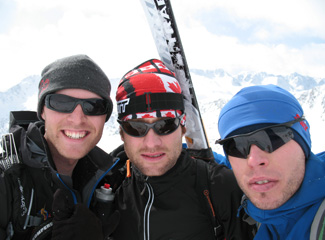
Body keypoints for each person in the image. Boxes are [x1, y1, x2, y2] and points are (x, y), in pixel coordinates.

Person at [110, 59, 255, 239]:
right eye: (135, 127)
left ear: (183, 127)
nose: (151, 143)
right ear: (122, 133)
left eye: (165, 125)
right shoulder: (107, 185)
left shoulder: (221, 188)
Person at [0, 54, 120, 240]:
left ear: (105, 117)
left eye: (93, 106)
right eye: (62, 103)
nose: (78, 119)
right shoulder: (7, 178)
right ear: (42, 111)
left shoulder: (113, 179)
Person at [216, 84, 325, 240]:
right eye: (236, 146)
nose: (253, 160)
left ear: (304, 142)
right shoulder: (259, 215)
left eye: (273, 138)